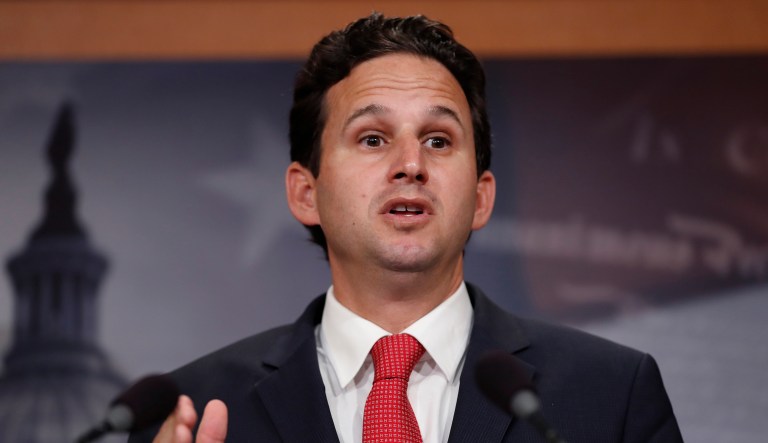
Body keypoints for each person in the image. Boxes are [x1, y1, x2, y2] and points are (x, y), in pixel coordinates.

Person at [130, 13, 683, 443]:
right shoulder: (192, 410)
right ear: (305, 193)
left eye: (438, 140)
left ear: (482, 198)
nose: (411, 164)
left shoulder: (611, 395)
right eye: (372, 139)